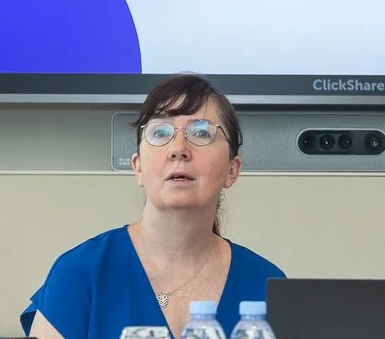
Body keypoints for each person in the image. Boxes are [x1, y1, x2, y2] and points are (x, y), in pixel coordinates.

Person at [22, 73, 285, 339]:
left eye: (202, 132)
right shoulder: (81, 274)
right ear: (137, 166)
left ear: (232, 169)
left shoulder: (268, 285)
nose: (178, 149)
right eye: (161, 133)